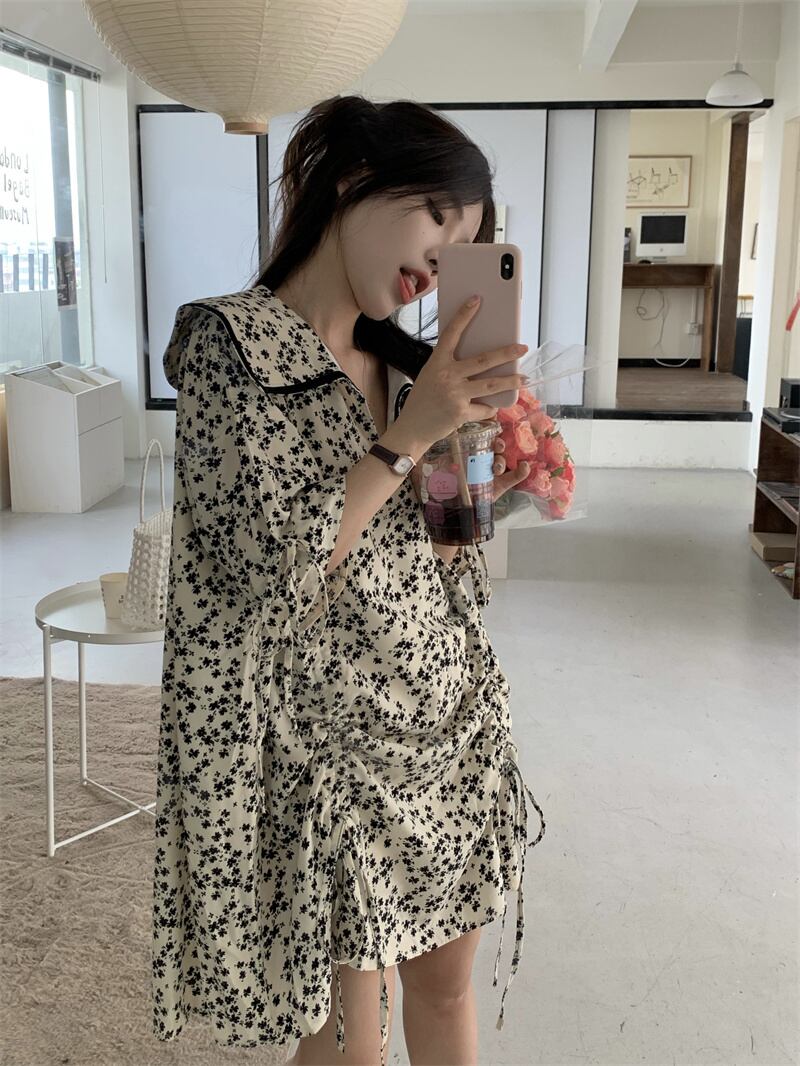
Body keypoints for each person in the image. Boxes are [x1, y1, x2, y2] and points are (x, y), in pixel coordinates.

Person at [151, 93, 546, 1066]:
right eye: (438, 219)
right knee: (345, 1044)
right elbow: (267, 569)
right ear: (352, 179)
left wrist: (480, 459)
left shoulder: (407, 360)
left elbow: (445, 545)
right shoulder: (229, 346)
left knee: (445, 993)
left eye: (466, 245)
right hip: (328, 755)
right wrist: (409, 434)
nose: (440, 260)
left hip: (442, 721)